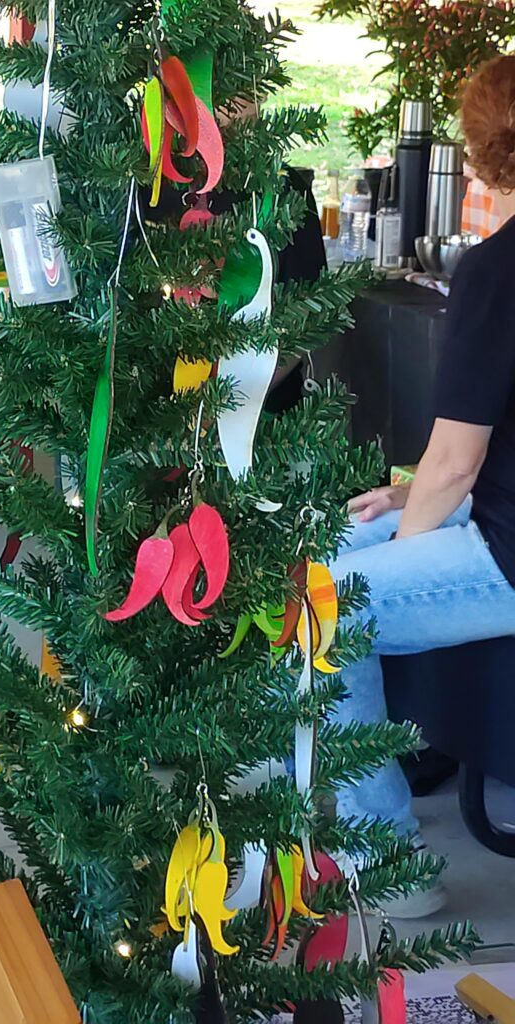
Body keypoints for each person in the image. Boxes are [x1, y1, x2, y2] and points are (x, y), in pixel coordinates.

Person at [331, 54, 515, 917]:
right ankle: (352, 764)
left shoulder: (496, 272)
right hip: (494, 510)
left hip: (506, 545)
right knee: (333, 543)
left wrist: (420, 529)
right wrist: (412, 503)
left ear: (479, 156)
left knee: (323, 608)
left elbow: (455, 464)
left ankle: (385, 860)